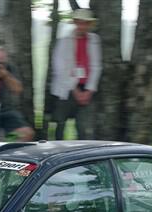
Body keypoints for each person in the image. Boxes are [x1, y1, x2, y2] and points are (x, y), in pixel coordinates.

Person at [50, 8, 102, 140]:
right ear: (75, 22)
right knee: (60, 124)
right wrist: (75, 90)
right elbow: (60, 68)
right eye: (80, 22)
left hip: (86, 88)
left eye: (86, 23)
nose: (82, 26)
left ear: (90, 24)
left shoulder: (94, 40)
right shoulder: (64, 40)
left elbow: (96, 66)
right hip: (66, 88)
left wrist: (89, 91)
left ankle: (82, 156)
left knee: (83, 127)